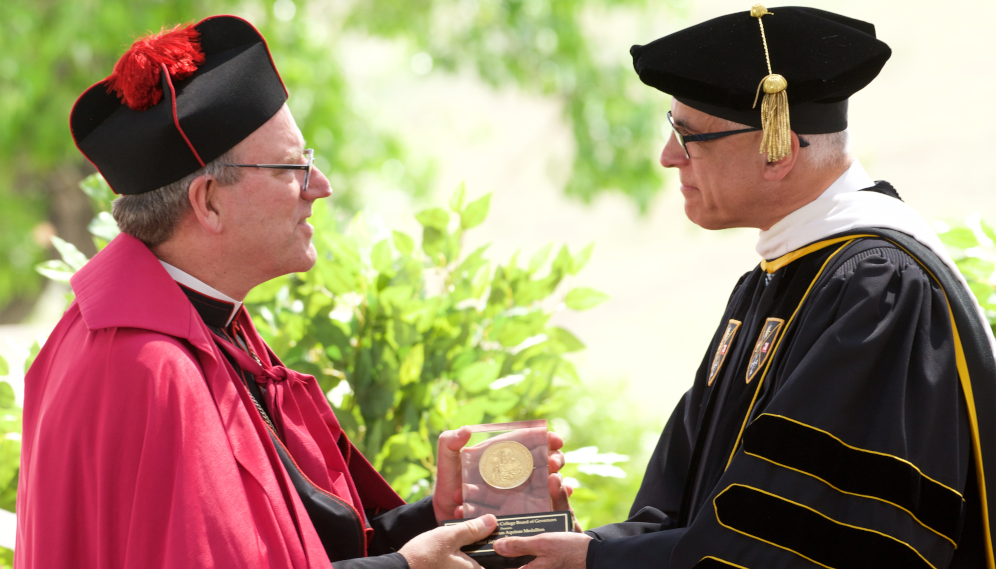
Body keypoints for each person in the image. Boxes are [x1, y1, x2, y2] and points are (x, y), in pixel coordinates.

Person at [16, 15, 571, 568]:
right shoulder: (149, 367)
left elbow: (287, 541)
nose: (321, 187)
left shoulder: (206, 325)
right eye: (293, 166)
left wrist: (435, 516)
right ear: (209, 202)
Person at [494, 5, 996, 569]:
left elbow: (812, 539)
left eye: (688, 137)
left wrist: (597, 563)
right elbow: (689, 510)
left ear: (777, 149)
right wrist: (582, 549)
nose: (667, 157)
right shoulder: (775, 281)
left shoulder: (880, 289)